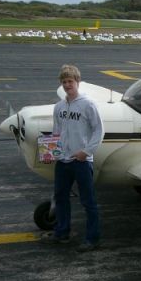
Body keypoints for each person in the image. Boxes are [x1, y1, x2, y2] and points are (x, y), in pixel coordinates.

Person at [41, 64, 104, 252]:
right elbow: (57, 131)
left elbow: (99, 130)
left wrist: (86, 152)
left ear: (77, 82)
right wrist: (51, 152)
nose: (67, 85)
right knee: (61, 197)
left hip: (81, 161)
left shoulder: (88, 104)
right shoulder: (59, 106)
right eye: (64, 82)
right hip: (63, 161)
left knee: (88, 201)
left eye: (70, 81)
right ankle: (62, 231)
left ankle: (92, 239)